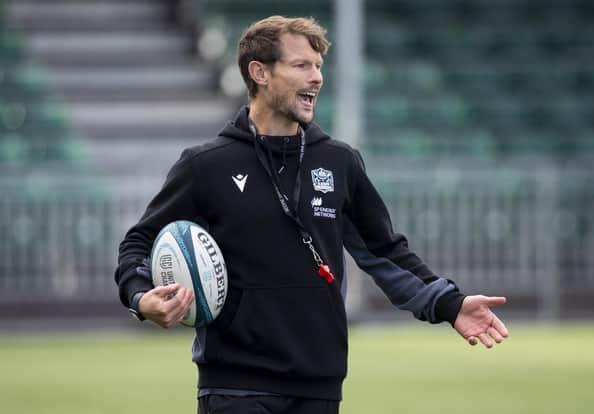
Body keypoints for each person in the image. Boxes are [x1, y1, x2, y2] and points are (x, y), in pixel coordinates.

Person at [115, 15, 509, 414]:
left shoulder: (340, 161)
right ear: (260, 72)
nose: (317, 77)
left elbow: (385, 252)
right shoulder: (206, 165)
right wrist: (140, 297)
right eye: (301, 65)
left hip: (319, 384)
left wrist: (450, 304)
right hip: (235, 384)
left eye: (319, 66)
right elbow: (138, 243)